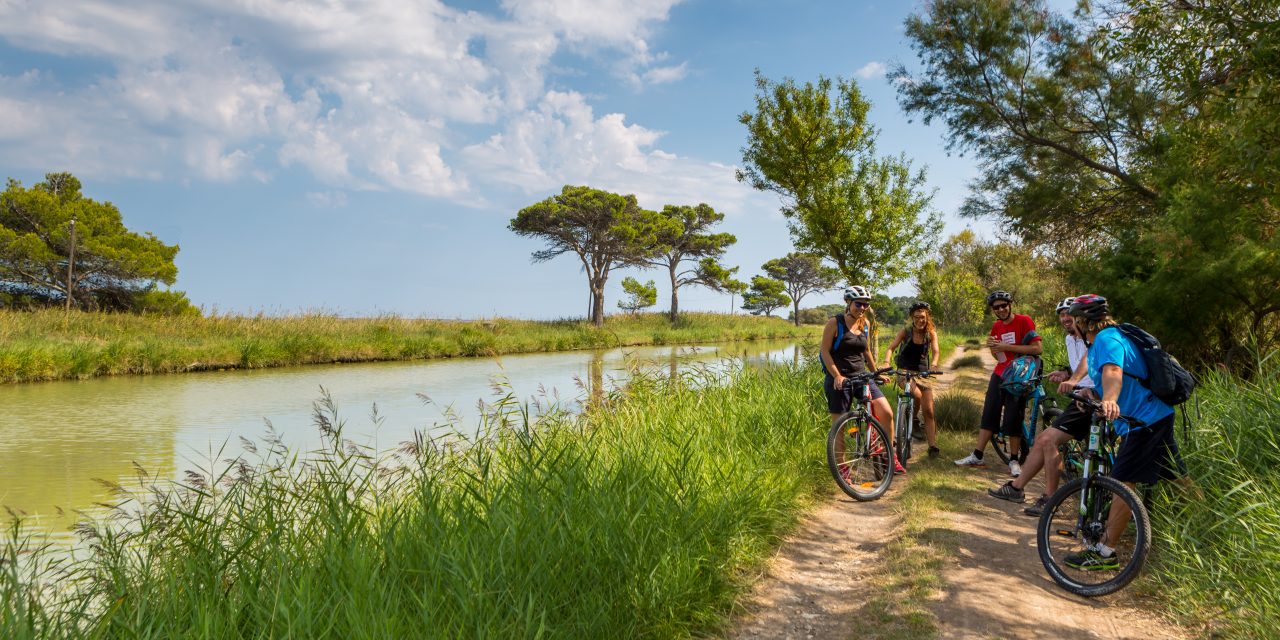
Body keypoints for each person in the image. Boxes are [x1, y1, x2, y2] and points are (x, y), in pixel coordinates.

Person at [1057, 294, 1186, 569]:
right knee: (1175, 476)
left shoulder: (1107, 339)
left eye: (1074, 319)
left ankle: (1105, 553)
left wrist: (1110, 399)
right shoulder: (1101, 342)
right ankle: (1204, 515)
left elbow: (1114, 371)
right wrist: (1093, 393)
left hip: (1144, 420)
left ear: (1083, 321)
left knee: (1123, 481)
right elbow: (1112, 376)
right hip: (1150, 417)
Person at [987, 297, 1098, 514]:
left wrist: (1077, 382)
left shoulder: (1091, 339)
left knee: (1047, 439)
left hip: (1092, 399)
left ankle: (1050, 499)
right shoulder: (1070, 339)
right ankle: (1016, 488)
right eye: (1062, 315)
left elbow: (1099, 367)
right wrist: (1067, 373)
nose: (1066, 319)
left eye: (1070, 314)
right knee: (1041, 440)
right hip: (1080, 397)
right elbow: (1082, 367)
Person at [955, 290, 1043, 477]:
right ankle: (977, 455)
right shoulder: (996, 327)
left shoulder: (1024, 321)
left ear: (1010, 305)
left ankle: (1014, 459)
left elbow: (1037, 348)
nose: (1001, 309)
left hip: (1020, 376)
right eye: (997, 308)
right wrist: (994, 348)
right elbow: (999, 357)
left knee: (1013, 416)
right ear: (993, 310)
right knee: (989, 412)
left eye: (1004, 305)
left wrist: (1006, 347)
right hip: (1001, 372)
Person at [820, 286, 902, 475]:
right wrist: (837, 375)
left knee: (887, 412)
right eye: (859, 304)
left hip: (861, 376)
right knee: (839, 425)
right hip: (839, 380)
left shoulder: (864, 323)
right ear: (848, 303)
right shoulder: (835, 323)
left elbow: (865, 351)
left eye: (865, 304)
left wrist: (875, 372)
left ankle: (889, 456)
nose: (862, 307)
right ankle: (842, 468)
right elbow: (825, 351)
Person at [886, 301, 941, 458]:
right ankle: (913, 421)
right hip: (904, 371)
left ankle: (932, 446)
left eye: (922, 317)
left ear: (927, 317)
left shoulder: (931, 333)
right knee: (916, 395)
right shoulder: (906, 331)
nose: (920, 320)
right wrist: (886, 361)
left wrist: (935, 364)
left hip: (923, 373)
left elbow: (936, 351)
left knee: (929, 411)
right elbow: (891, 347)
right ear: (912, 317)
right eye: (916, 317)